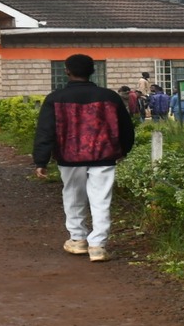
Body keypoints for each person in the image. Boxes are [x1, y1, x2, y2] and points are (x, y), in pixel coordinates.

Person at [32, 54, 135, 263]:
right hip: (104, 156)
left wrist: (40, 160)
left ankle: (78, 240)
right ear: (93, 71)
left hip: (69, 157)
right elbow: (126, 127)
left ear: (67, 71)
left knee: (72, 196)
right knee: (101, 200)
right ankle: (97, 245)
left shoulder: (55, 98)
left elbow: (45, 130)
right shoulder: (110, 97)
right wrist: (124, 149)